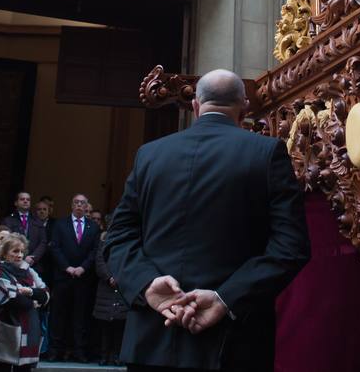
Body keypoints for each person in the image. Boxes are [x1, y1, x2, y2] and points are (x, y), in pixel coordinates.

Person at [104, 69, 310, 372]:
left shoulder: (149, 155)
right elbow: (291, 247)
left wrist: (147, 285)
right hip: (232, 344)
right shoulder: (266, 153)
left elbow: (118, 237)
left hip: (152, 340)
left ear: (196, 106)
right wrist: (225, 299)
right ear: (245, 108)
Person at [46, 193, 100, 363]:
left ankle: (79, 351)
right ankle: (55, 350)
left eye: (82, 203)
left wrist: (83, 267)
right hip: (63, 277)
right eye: (76, 202)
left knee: (80, 317)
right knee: (58, 315)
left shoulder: (93, 227)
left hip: (83, 278)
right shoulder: (60, 224)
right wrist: (67, 267)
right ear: (71, 205)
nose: (79, 205)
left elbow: (95, 251)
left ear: (86, 207)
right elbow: (55, 248)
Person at [0, 233, 48, 370]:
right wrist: (33, 302)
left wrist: (29, 292)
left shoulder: (29, 271)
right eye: (15, 251)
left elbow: (45, 295)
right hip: (4, 331)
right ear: (5, 253)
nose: (19, 255)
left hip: (29, 328)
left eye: (22, 252)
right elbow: (11, 299)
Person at [92, 239, 127, 367]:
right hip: (106, 288)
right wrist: (109, 277)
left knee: (120, 324)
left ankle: (117, 355)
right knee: (105, 325)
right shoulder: (104, 242)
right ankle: (104, 355)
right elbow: (100, 262)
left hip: (122, 287)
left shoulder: (127, 242)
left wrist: (120, 277)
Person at [0, 192, 47, 269]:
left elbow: (43, 242)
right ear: (16, 203)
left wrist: (33, 257)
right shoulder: (8, 220)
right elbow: (7, 241)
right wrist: (22, 256)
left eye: (28, 200)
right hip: (15, 262)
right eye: (22, 199)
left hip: (34, 263)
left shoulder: (38, 220)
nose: (25, 201)